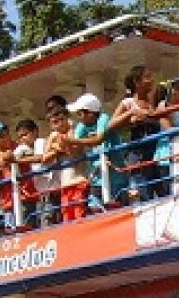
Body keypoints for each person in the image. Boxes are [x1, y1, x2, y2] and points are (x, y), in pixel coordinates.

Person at [111, 65, 165, 201]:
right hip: (138, 157)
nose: (151, 80)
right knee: (144, 196)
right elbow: (111, 125)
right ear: (137, 82)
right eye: (147, 77)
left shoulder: (153, 102)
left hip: (156, 157)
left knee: (164, 195)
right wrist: (132, 115)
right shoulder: (128, 103)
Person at [66, 93, 123, 210]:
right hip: (97, 177)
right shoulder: (82, 126)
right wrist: (66, 142)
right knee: (94, 209)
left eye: (80, 113)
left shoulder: (103, 118)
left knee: (117, 208)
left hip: (115, 176)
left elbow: (99, 139)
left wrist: (73, 140)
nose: (78, 117)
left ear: (90, 113)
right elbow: (75, 151)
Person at [45, 105, 87, 222]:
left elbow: (74, 151)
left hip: (79, 181)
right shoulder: (53, 136)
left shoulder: (76, 130)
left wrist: (59, 145)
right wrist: (57, 148)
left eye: (62, 120)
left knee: (80, 217)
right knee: (67, 219)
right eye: (55, 122)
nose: (59, 124)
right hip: (64, 184)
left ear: (67, 118)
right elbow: (45, 159)